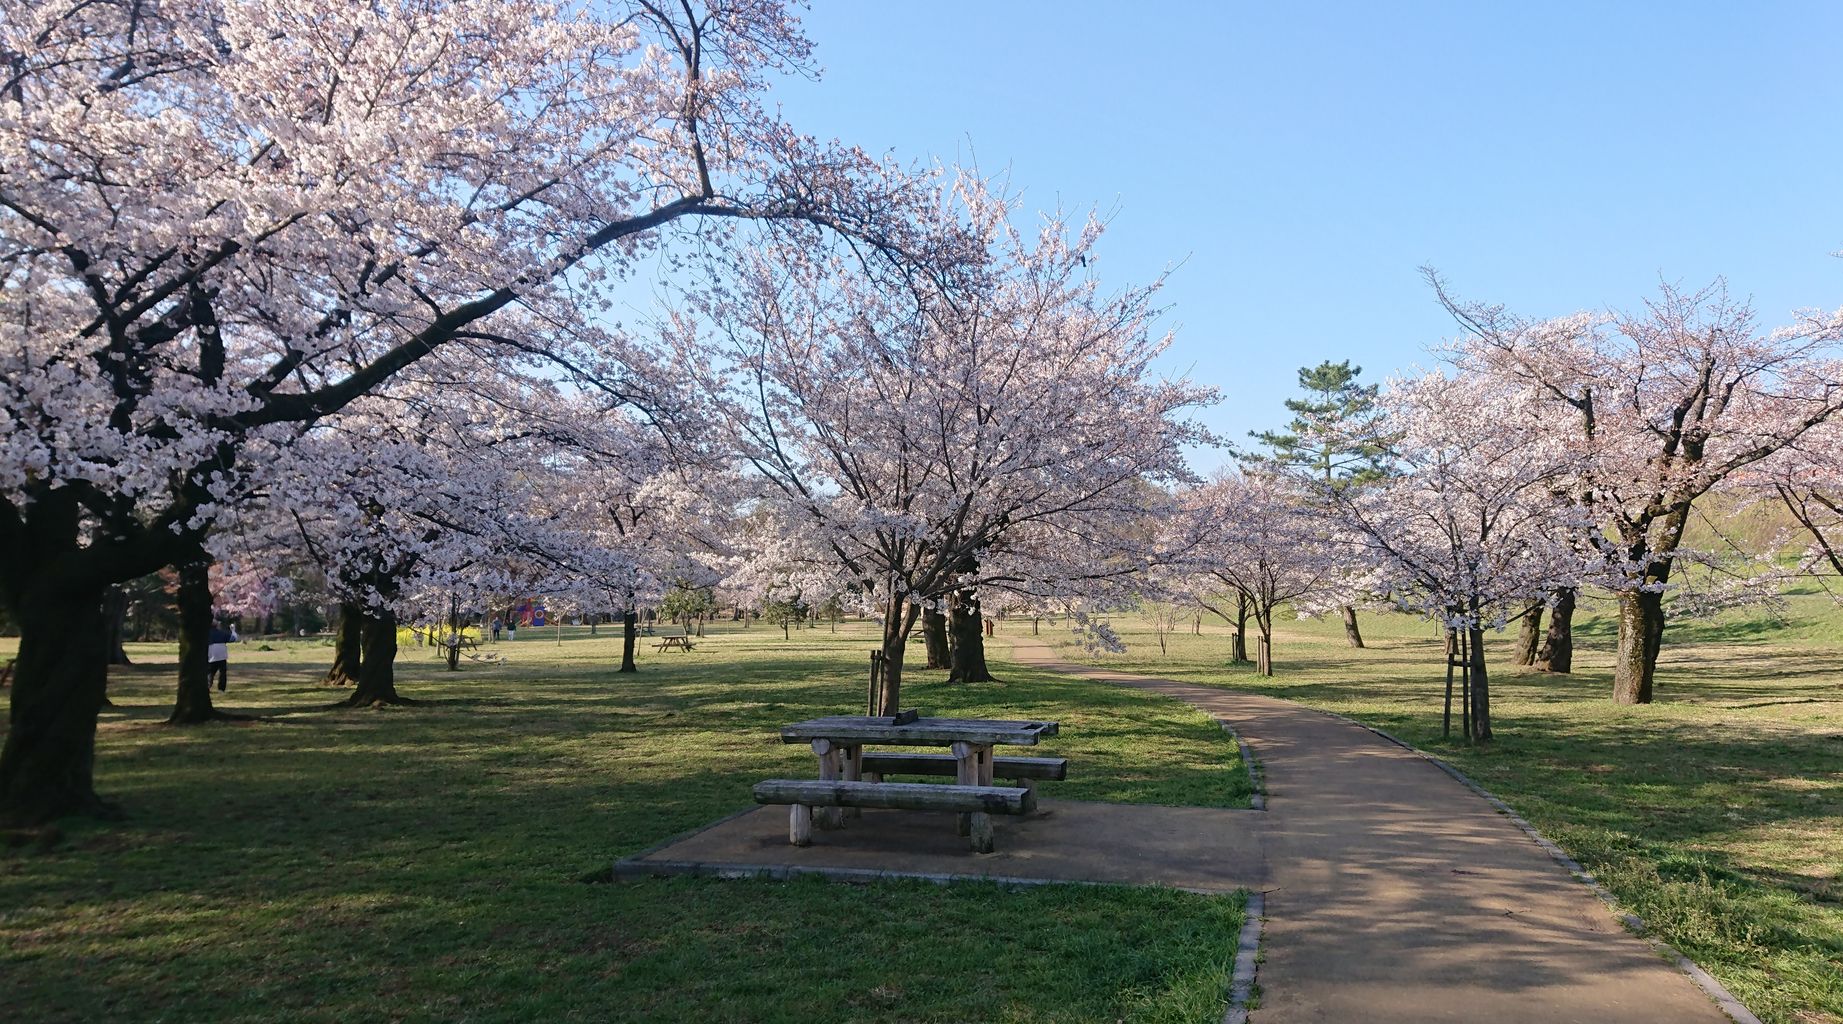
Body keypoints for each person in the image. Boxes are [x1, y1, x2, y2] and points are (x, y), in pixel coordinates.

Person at [208, 621, 238, 692]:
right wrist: (233, 630)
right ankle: (221, 689)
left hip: (211, 656)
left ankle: (207, 686)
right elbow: (234, 638)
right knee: (222, 673)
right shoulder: (222, 633)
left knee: (210, 672)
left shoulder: (206, 634)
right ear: (217, 626)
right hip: (222, 656)